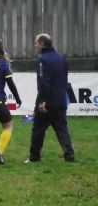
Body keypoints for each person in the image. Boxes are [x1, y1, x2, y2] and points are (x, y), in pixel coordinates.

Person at [26, 33, 75, 163]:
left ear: (42, 43)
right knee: (61, 128)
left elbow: (44, 82)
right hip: (60, 100)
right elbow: (65, 79)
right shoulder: (61, 58)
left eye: (36, 43)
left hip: (47, 102)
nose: (35, 45)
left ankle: (34, 157)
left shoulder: (43, 60)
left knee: (38, 129)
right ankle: (69, 155)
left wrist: (41, 101)